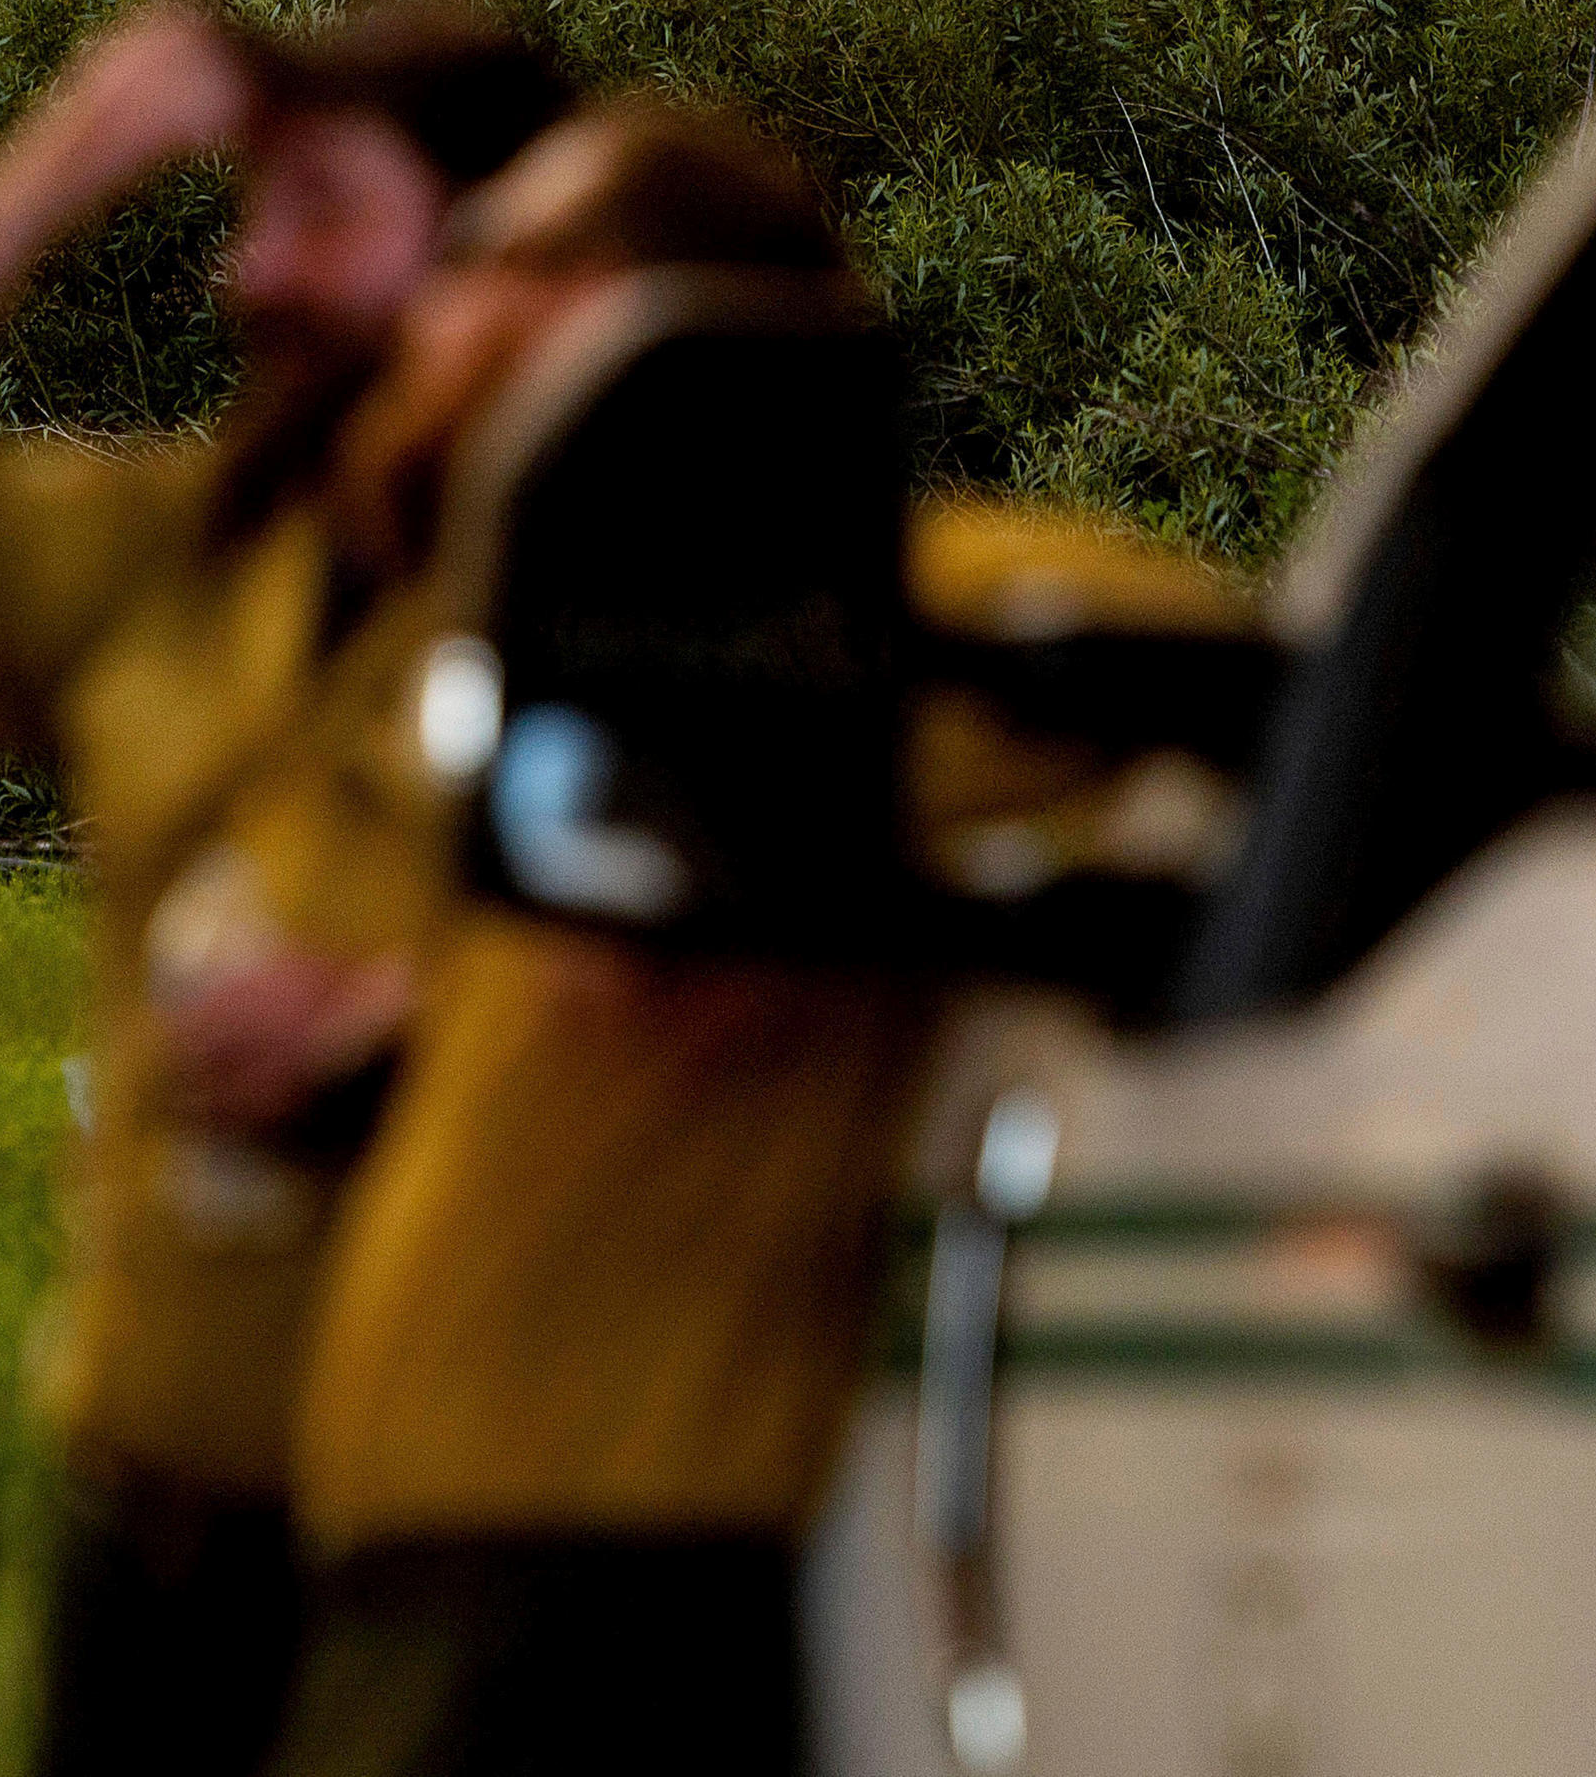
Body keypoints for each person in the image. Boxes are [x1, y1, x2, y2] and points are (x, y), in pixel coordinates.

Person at [272, 98, 1260, 1777]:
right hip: (447, 1551)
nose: (439, 308)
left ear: (657, 314)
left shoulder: (856, 603)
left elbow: (1225, 669)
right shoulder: (559, 630)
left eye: (504, 257)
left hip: (604, 1571)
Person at [0, 0, 575, 1777]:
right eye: (251, 217)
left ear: (495, 252)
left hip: (481, 1554)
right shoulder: (182, 560)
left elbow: (789, 913)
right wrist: (75, 150)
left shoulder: (642, 586)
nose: (257, 274)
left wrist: (411, 1025)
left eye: (323, 212)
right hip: (162, 1532)